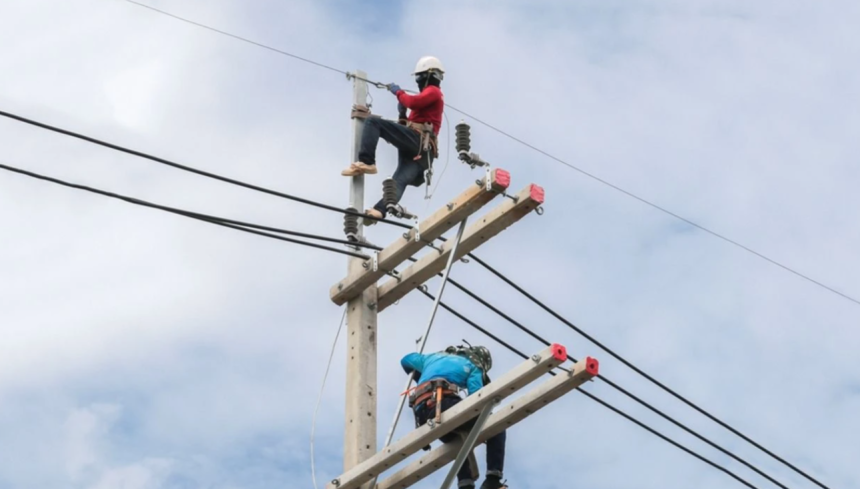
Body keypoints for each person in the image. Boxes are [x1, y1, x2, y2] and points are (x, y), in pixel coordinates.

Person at [341, 56, 445, 221]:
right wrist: (402, 114)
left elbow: (411, 101)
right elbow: (410, 120)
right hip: (423, 153)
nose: (418, 81)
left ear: (427, 76)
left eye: (419, 77)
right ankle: (379, 211)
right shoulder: (430, 98)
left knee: (373, 123)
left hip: (419, 142)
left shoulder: (433, 91)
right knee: (400, 180)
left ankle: (367, 162)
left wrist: (398, 92)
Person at [400, 345, 507, 489]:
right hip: (444, 403)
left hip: (422, 415)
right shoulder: (473, 366)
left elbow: (405, 360)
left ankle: (466, 485)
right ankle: (492, 480)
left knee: (457, 441)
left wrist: (424, 380)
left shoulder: (429, 358)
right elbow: (477, 399)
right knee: (497, 425)